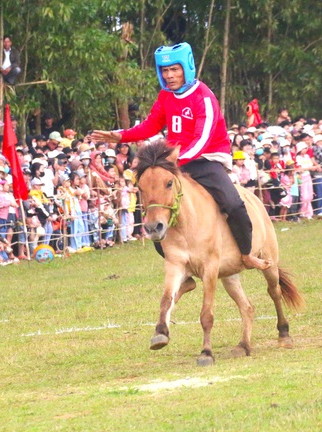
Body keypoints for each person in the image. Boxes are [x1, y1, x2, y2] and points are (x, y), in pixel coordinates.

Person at [90, 42, 271, 270]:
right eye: (165, 71)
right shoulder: (165, 96)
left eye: (174, 69)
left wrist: (172, 162)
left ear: (187, 67)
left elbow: (201, 140)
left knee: (234, 204)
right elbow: (150, 126)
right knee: (154, 211)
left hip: (207, 160)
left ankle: (246, 254)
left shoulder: (203, 97)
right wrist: (120, 136)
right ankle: (183, 270)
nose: (169, 75)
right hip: (175, 163)